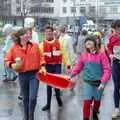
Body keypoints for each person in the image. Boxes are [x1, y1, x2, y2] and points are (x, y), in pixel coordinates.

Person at [5, 28, 46, 120]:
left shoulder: (35, 45)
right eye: (27, 33)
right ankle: (26, 115)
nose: (29, 35)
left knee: (33, 97)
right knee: (25, 98)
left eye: (29, 33)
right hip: (22, 75)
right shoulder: (14, 48)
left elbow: (41, 57)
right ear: (21, 36)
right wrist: (12, 64)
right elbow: (7, 60)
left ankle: (31, 115)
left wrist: (43, 66)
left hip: (34, 75)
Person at [71, 35, 111, 120]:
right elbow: (78, 66)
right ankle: (85, 118)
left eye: (90, 41)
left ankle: (94, 112)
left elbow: (107, 69)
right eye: (86, 41)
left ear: (95, 43)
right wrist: (72, 74)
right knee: (87, 101)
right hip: (88, 82)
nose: (88, 42)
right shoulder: (83, 55)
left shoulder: (101, 55)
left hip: (99, 83)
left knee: (97, 101)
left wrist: (103, 82)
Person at [39, 26, 70, 111]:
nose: (48, 33)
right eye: (46, 31)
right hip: (47, 66)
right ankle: (48, 104)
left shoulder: (59, 42)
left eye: (50, 31)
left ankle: (58, 98)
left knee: (57, 83)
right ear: (44, 33)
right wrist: (41, 67)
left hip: (57, 65)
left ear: (53, 32)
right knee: (49, 85)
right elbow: (40, 57)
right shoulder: (41, 45)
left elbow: (64, 53)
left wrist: (68, 65)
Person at [107, 20, 120, 119]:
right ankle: (116, 108)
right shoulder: (111, 38)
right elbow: (109, 48)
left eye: (118, 29)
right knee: (116, 86)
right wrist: (111, 54)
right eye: (115, 29)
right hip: (116, 64)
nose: (116, 31)